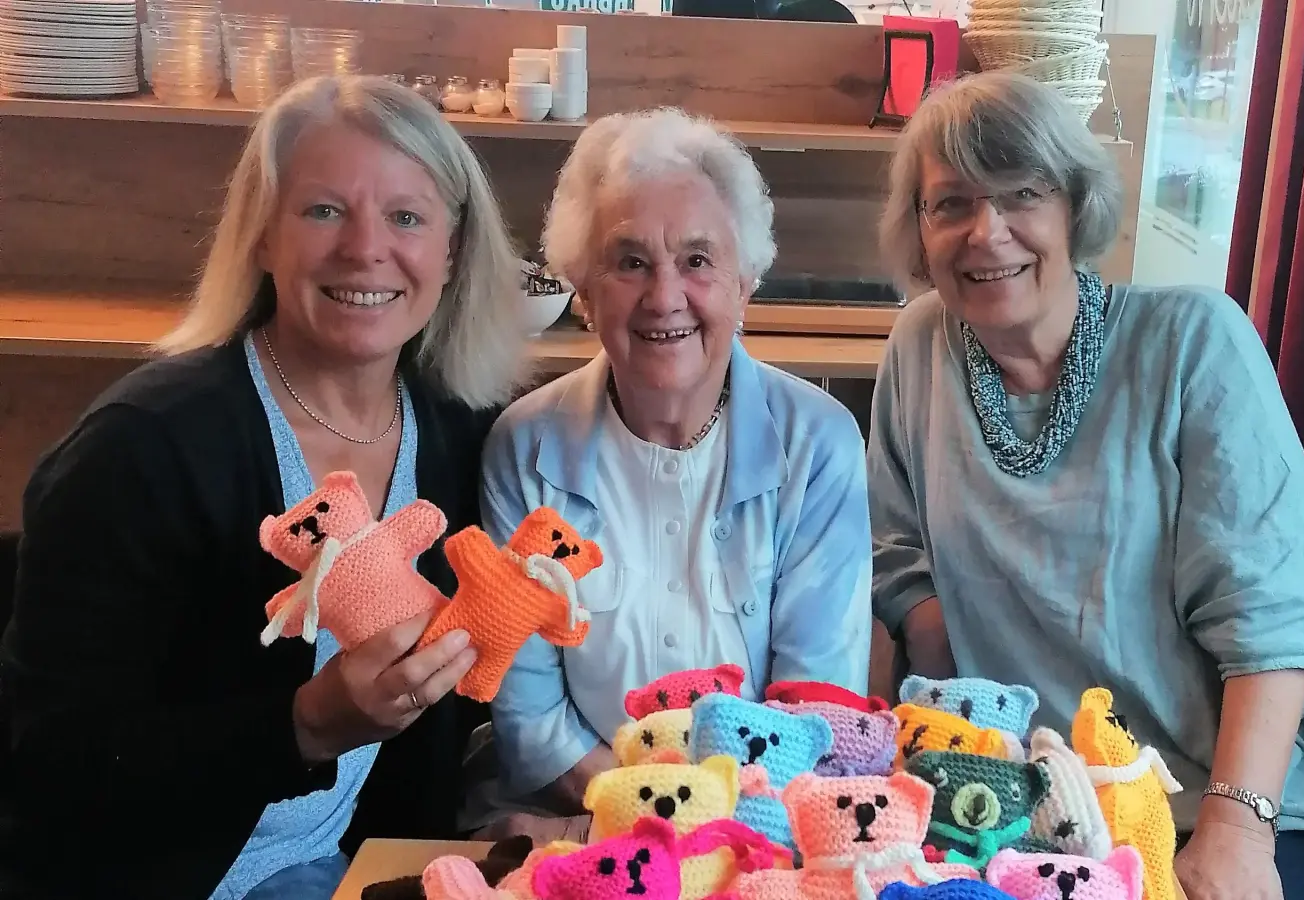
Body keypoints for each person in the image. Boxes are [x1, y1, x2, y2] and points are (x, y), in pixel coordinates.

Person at [0, 75, 529, 899]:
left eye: (406, 216)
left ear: (451, 250)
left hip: (354, 867)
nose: (365, 249)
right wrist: (307, 724)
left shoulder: (463, 430)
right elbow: (53, 765)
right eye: (324, 210)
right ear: (259, 236)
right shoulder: (141, 449)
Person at [868, 72, 1304, 900]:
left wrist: (1236, 833)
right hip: (1023, 807)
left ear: (1075, 205)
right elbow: (899, 557)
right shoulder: (921, 345)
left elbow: (1273, 614)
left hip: (1215, 799)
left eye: (1021, 193)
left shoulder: (1194, 344)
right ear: (919, 231)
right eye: (950, 203)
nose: (987, 233)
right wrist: (964, 748)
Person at [477, 107, 873, 821]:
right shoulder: (524, 449)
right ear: (585, 294)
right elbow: (531, 719)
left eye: (697, 260)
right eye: (630, 262)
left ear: (745, 284)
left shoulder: (819, 446)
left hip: (765, 825)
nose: (664, 297)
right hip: (579, 823)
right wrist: (651, 818)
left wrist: (717, 830)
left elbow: (815, 703)